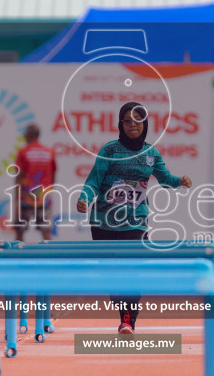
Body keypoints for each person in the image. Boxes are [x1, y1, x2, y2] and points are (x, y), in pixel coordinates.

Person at [76, 101, 193, 335]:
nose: (132, 125)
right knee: (111, 274)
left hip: (135, 221)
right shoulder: (109, 150)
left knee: (131, 270)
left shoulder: (151, 153)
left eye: (137, 120)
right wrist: (84, 198)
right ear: (120, 124)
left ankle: (128, 320)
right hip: (103, 221)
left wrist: (180, 181)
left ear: (145, 123)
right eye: (127, 121)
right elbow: (93, 181)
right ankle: (123, 312)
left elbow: (166, 179)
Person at [12, 124, 57, 242]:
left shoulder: (23, 152)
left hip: (25, 197)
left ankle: (17, 259)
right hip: (44, 197)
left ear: (29, 135)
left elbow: (19, 177)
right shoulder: (49, 152)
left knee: (19, 233)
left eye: (25, 133)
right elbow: (52, 176)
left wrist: (16, 200)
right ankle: (51, 259)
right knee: (46, 233)